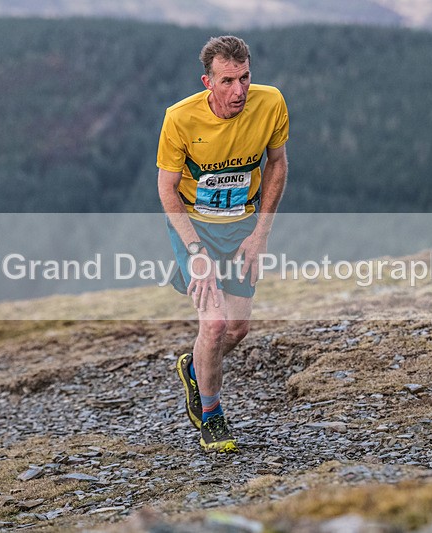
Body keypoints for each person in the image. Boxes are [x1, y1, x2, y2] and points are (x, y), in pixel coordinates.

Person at [156, 35, 289, 452]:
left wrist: (260, 233)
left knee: (237, 328)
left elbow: (278, 163)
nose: (239, 91)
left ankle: (195, 368)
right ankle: (211, 417)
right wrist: (196, 253)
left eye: (245, 78)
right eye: (228, 81)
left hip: (243, 226)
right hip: (195, 227)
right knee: (213, 325)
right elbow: (167, 188)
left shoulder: (270, 104)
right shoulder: (179, 119)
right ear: (207, 81)